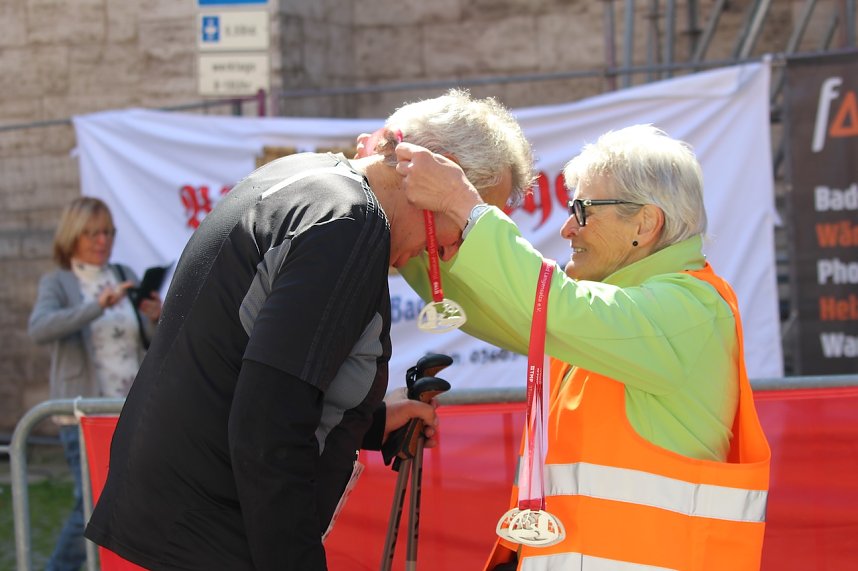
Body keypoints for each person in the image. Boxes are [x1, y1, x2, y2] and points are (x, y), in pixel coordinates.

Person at [84, 89, 534, 571]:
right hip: (215, 532)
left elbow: (250, 368)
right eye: (466, 221)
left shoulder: (310, 178)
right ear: (430, 175)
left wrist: (373, 420)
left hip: (184, 514)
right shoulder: (350, 224)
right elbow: (267, 427)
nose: (451, 253)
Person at [395, 124, 772, 570]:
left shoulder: (690, 308)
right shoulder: (620, 311)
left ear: (646, 223)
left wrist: (464, 205)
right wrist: (416, 247)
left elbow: (549, 305)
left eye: (583, 209)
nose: (568, 227)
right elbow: (507, 311)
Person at [28, 196, 162, 571]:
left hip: (127, 411)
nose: (101, 240)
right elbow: (40, 328)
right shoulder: (59, 281)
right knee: (89, 504)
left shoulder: (121, 272)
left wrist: (155, 317)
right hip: (82, 415)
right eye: (91, 233)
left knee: (130, 499)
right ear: (72, 236)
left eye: (107, 232)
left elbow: (141, 341)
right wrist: (96, 306)